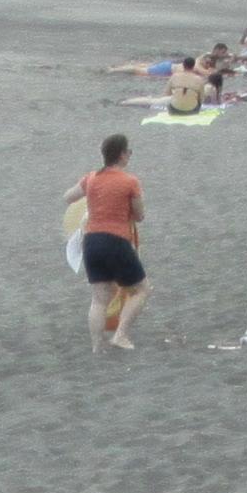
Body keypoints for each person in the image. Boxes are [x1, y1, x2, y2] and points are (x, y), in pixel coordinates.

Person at [73, 133, 150, 350]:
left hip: (91, 242)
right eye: (129, 152)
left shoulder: (91, 178)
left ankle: (97, 346)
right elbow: (139, 216)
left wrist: (90, 207)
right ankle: (121, 335)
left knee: (99, 298)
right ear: (122, 154)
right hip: (115, 241)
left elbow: (68, 197)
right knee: (141, 289)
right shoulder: (129, 181)